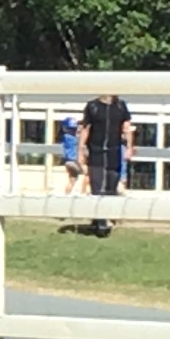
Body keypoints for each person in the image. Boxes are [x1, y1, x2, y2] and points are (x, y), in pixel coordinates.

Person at [78, 91, 135, 238]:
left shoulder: (121, 106)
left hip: (113, 150)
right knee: (97, 185)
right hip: (96, 150)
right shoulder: (93, 106)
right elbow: (86, 128)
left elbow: (126, 127)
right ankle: (100, 221)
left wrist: (129, 147)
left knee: (111, 183)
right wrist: (81, 149)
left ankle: (105, 216)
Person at [58, 116, 81, 194]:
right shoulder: (72, 138)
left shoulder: (64, 137)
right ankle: (84, 192)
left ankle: (67, 194)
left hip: (67, 161)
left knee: (72, 179)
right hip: (73, 161)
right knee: (88, 172)